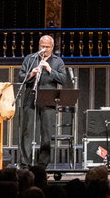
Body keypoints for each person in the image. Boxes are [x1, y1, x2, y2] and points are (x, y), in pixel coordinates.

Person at [17, 34, 67, 168]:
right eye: (42, 46)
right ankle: (24, 163)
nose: (44, 49)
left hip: (48, 100)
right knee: (27, 132)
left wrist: (49, 69)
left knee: (46, 133)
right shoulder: (30, 58)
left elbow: (63, 79)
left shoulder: (58, 62)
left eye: (47, 47)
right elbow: (20, 76)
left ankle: (42, 164)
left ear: (52, 47)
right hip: (30, 98)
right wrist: (31, 74)